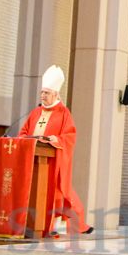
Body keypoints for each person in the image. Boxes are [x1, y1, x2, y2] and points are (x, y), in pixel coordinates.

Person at [19, 64, 94, 235]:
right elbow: (23, 132)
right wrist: (26, 139)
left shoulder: (63, 113)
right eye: (42, 93)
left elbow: (70, 136)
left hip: (52, 163)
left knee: (56, 194)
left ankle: (54, 226)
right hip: (33, 161)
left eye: (46, 93)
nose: (43, 96)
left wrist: (57, 140)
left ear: (55, 94)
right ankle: (31, 224)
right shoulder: (35, 112)